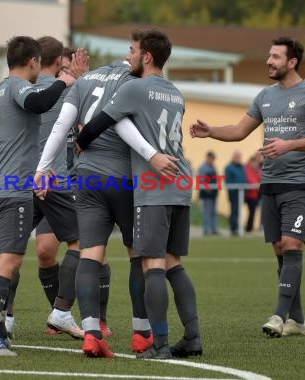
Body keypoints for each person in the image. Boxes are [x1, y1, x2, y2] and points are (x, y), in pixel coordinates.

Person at [34, 56, 177, 358]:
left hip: (86, 177)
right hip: (124, 178)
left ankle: (91, 333)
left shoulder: (85, 80)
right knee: (137, 254)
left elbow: (61, 125)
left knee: (90, 253)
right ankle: (141, 334)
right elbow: (121, 122)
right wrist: (151, 155)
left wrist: (43, 167)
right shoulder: (133, 81)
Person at [190, 36, 305, 337]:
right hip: (270, 184)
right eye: (269, 56)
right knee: (281, 250)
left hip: (300, 183)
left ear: (292, 62)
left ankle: (279, 317)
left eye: (276, 57)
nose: (269, 61)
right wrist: (211, 130)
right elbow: (240, 130)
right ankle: (299, 321)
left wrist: (288, 145)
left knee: (293, 245)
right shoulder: (265, 96)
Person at [76, 28, 203, 360]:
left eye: (132, 50)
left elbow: (99, 123)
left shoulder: (133, 87)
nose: (128, 56)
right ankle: (192, 337)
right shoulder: (175, 92)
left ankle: (159, 344)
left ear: (147, 56)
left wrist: (81, 139)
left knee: (152, 264)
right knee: (174, 263)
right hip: (180, 181)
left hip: (153, 184)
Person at [0, 36, 86, 357]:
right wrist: (67, 79)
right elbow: (38, 102)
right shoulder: (15, 87)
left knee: (9, 260)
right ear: (34, 62)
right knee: (9, 261)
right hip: (12, 189)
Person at [6, 37, 84, 340]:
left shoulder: (17, 90)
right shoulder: (66, 91)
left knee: (12, 252)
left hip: (17, 180)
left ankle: (6, 319)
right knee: (84, 243)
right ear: (57, 61)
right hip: (54, 182)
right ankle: (63, 310)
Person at [225, 151, 247, 236]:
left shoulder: (242, 167)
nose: (239, 159)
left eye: (239, 157)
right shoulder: (229, 167)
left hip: (241, 192)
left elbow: (243, 178)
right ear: (233, 157)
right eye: (237, 157)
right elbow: (228, 181)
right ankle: (233, 229)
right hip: (234, 193)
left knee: (239, 211)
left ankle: (239, 227)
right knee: (234, 211)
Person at [198, 151, 219, 236]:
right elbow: (202, 181)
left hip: (213, 194)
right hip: (206, 195)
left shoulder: (213, 167)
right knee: (207, 212)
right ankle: (206, 230)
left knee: (213, 212)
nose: (212, 160)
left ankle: (214, 229)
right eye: (211, 158)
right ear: (208, 158)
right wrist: (209, 191)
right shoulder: (203, 168)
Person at [244, 154, 262, 233]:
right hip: (250, 194)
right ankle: (248, 228)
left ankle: (250, 227)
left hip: (255, 194)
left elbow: (259, 178)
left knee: (253, 211)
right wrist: (257, 184)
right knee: (251, 211)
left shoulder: (257, 169)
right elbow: (250, 179)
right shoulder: (248, 168)